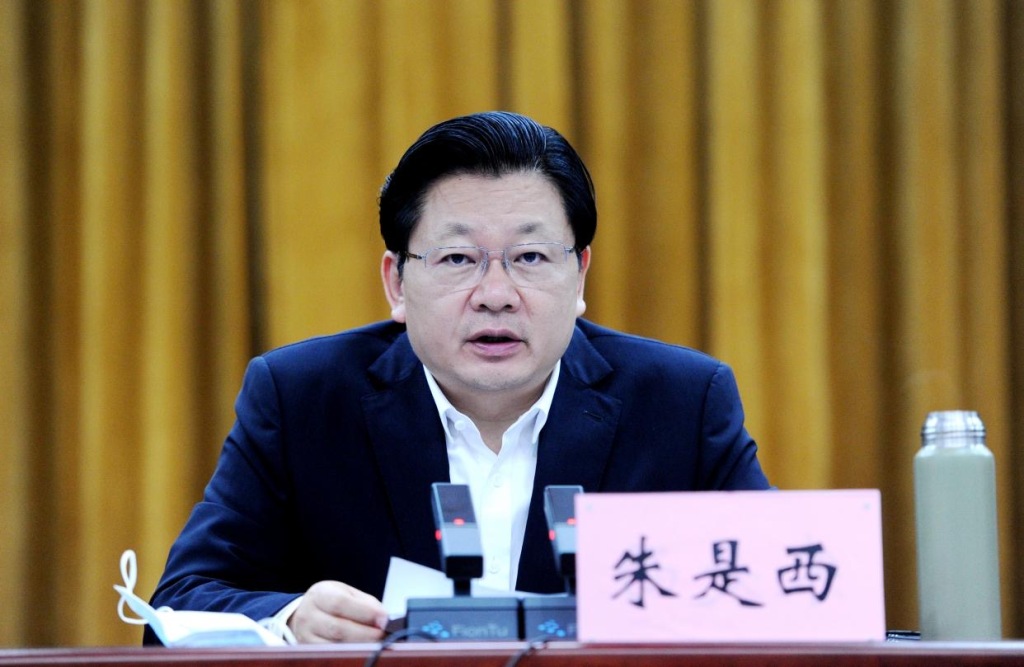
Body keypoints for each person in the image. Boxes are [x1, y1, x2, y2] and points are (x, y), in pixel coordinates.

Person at [148, 111, 771, 644]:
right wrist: (289, 620)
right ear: (397, 282)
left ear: (580, 275)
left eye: (530, 256)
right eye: (457, 258)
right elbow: (177, 604)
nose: (496, 294)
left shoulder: (683, 404)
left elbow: (784, 598)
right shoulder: (302, 400)